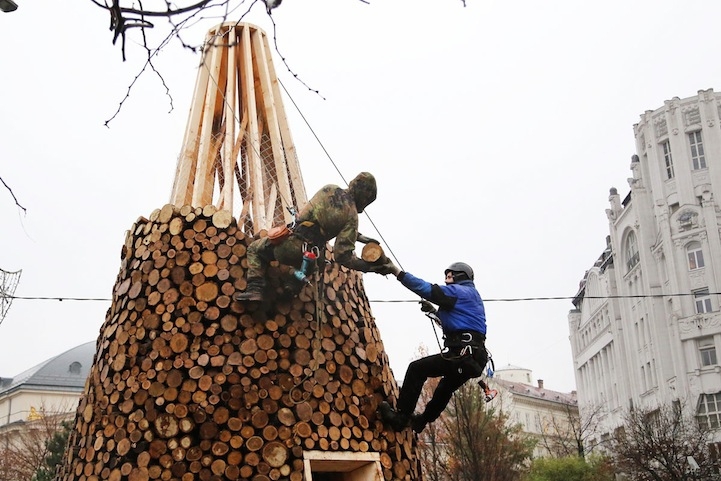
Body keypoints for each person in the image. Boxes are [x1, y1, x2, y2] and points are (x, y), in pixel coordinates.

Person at [235, 172, 391, 301]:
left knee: (255, 249)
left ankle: (255, 289)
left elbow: (305, 216)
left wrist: (359, 236)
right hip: (310, 258)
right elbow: (342, 256)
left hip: (290, 245)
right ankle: (291, 289)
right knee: (307, 268)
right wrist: (367, 266)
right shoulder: (351, 217)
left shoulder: (329, 189)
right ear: (365, 198)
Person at [378, 261, 488, 433]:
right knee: (445, 388)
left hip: (462, 354)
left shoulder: (460, 291)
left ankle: (401, 417)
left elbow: (426, 289)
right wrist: (435, 313)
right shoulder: (471, 296)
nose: (446, 279)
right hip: (473, 356)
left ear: (461, 276)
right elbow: (459, 325)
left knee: (416, 369)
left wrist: (397, 272)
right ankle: (421, 421)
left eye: (450, 275)